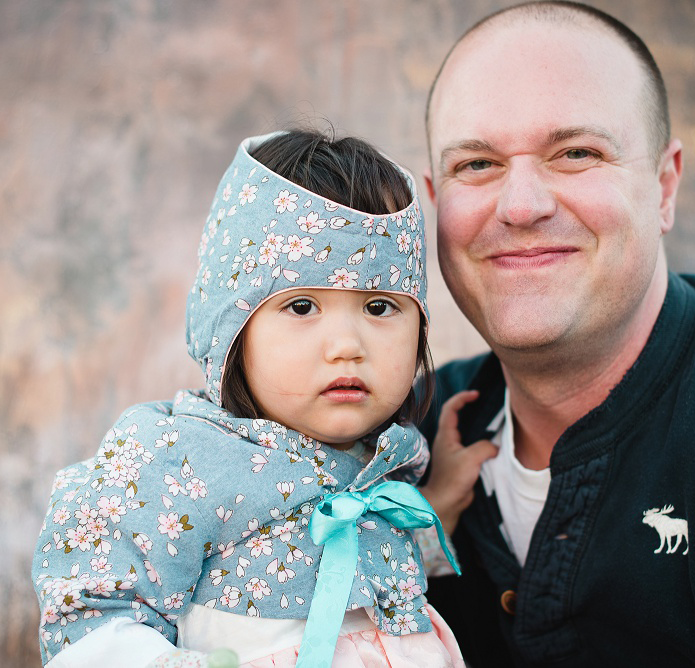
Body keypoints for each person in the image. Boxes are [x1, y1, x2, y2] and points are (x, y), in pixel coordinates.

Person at [416, 2, 695, 666]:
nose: (519, 206)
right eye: (477, 166)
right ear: (436, 202)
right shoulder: (390, 443)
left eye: (576, 152)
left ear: (664, 185)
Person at [32, 129, 469, 668]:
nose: (347, 347)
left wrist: (438, 508)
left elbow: (348, 580)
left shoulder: (385, 464)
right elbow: (91, 627)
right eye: (303, 306)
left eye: (380, 307)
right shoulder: (176, 460)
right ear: (230, 327)